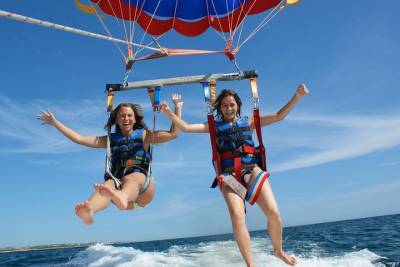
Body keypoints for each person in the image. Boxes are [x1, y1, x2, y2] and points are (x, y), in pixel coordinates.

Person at [161, 84, 309, 267]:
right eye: (224, 105)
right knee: (238, 216)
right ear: (220, 108)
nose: (229, 108)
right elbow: (186, 127)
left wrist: (297, 95)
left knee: (274, 214)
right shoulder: (214, 127)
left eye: (231, 104)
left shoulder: (249, 122)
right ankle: (251, 265)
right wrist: (169, 113)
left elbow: (280, 116)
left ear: (237, 105)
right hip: (229, 177)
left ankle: (278, 251)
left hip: (251, 170)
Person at [37, 94, 183, 225]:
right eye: (122, 116)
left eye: (129, 115)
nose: (126, 118)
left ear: (135, 119)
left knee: (132, 177)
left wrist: (177, 108)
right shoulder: (110, 140)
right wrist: (55, 123)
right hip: (118, 189)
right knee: (107, 184)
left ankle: (122, 197)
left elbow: (173, 134)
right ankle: (90, 211)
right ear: (116, 120)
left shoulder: (144, 135)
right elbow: (79, 138)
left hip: (143, 192)